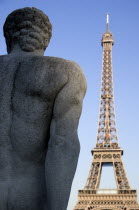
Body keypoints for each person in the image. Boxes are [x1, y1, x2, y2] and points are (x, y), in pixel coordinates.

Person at [0, 7, 86, 210]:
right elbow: (63, 144)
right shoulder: (66, 73)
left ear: (8, 36)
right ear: (46, 39)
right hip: (29, 197)